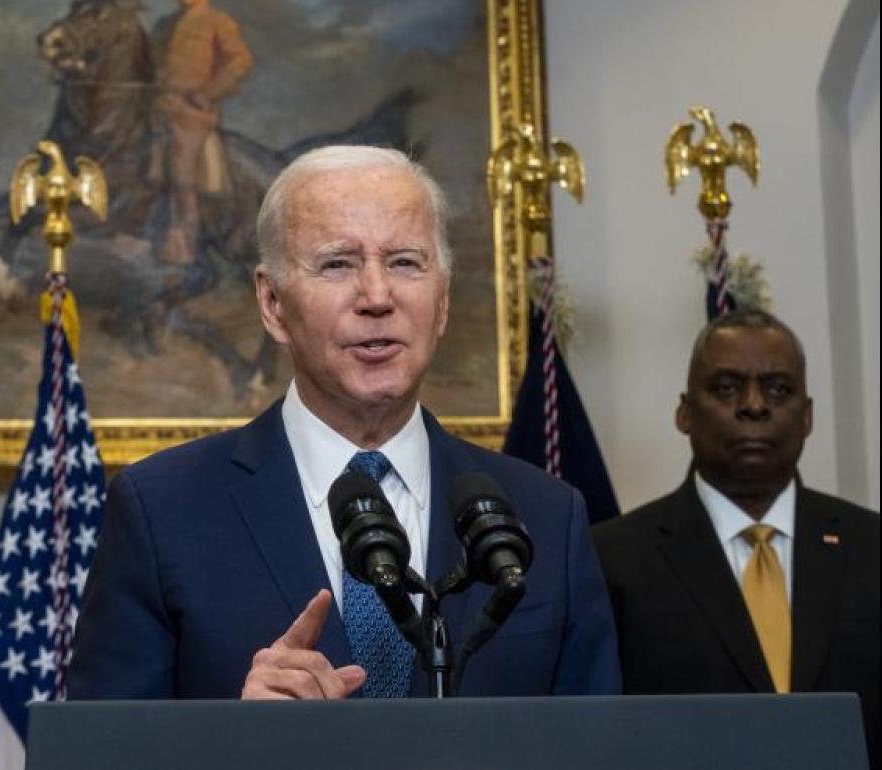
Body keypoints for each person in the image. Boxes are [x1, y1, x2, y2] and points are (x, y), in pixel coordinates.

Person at [67, 145, 620, 699]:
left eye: (405, 262)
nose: (377, 297)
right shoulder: (162, 511)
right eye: (338, 264)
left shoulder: (549, 516)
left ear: (444, 300)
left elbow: (603, 755)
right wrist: (233, 746)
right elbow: (93, 758)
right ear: (272, 304)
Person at [592, 310, 879, 768]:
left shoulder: (872, 548)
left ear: (807, 417)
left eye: (778, 389)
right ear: (684, 413)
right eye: (726, 387)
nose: (754, 405)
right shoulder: (612, 559)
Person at [149, 0, 253, 266]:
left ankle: (183, 248)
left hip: (191, 113)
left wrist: (208, 93)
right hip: (156, 107)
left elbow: (240, 60)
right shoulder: (164, 25)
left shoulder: (216, 21)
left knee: (182, 179)